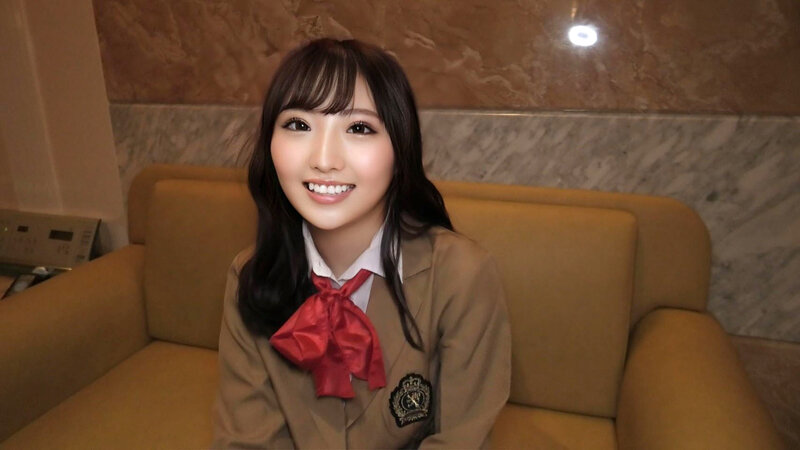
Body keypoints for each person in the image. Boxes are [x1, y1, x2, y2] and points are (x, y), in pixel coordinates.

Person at [212, 38, 511, 449]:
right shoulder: (250, 274)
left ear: (400, 150)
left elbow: (462, 440)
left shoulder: (462, 275)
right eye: (298, 125)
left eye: (358, 128)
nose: (324, 159)